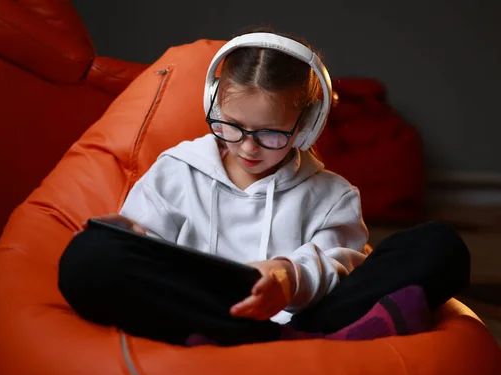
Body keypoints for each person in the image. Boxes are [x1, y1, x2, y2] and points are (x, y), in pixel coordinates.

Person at [58, 27, 471, 347]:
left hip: (302, 313)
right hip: (203, 304)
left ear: (306, 127)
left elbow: (339, 265)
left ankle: (285, 336)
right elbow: (145, 249)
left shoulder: (333, 194)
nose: (248, 148)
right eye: (231, 127)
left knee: (440, 247)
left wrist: (288, 276)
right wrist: (131, 235)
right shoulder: (176, 170)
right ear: (213, 107)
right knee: (87, 256)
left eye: (270, 134)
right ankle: (290, 342)